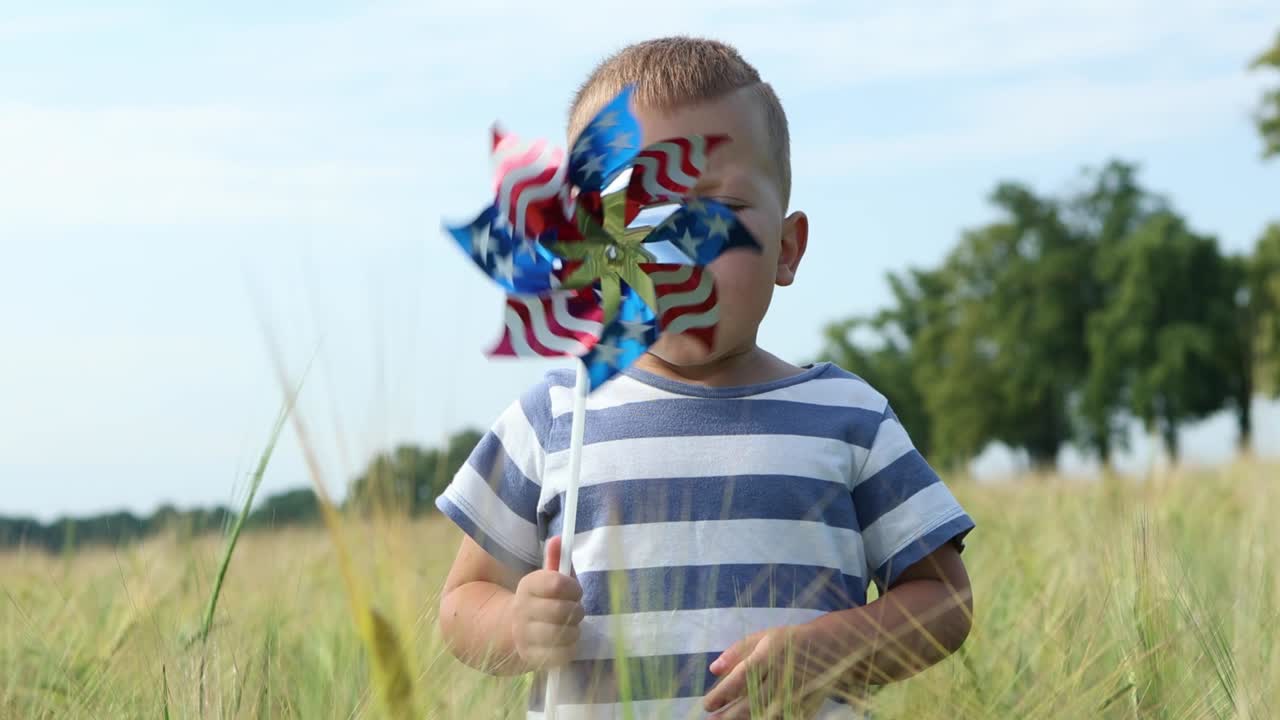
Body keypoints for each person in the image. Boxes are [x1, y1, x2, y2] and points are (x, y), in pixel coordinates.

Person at [436, 35, 975, 719]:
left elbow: (946, 601)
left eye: (714, 213)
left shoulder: (849, 416)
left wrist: (830, 648)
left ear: (786, 246)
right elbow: (462, 602)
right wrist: (516, 626)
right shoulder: (551, 419)